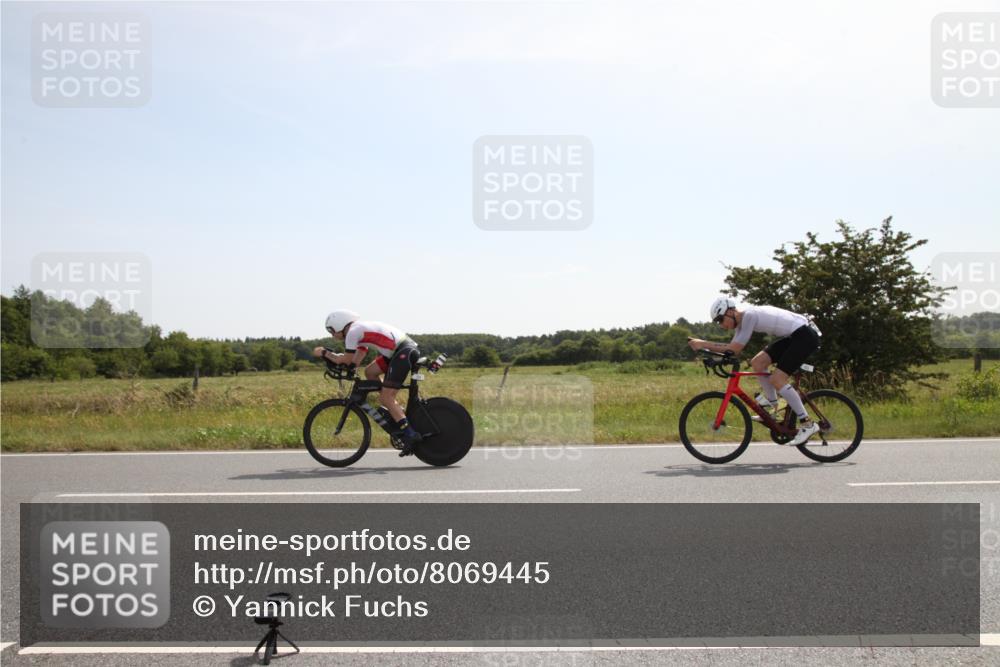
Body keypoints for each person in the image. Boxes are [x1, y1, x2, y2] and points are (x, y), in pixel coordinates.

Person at [687, 297, 822, 446]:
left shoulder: (749, 316)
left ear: (731, 311)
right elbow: (732, 350)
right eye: (718, 322)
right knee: (757, 363)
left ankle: (807, 423)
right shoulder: (740, 324)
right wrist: (716, 357)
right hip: (794, 336)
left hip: (804, 336)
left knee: (777, 380)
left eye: (720, 319)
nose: (721, 325)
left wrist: (702, 343)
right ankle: (774, 409)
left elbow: (734, 349)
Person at [313, 310, 423, 456]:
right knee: (370, 372)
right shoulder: (357, 330)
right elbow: (361, 352)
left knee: (386, 397)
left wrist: (324, 353)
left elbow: (346, 359)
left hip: (403, 352)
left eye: (331, 331)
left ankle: (410, 434)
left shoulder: (352, 332)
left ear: (339, 325)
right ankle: (396, 410)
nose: (332, 335)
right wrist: (352, 367)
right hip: (398, 352)